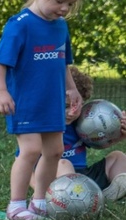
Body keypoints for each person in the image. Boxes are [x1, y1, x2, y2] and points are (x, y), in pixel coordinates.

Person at [0, 0, 86, 220]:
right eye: (59, 1)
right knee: (30, 150)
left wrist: (72, 90)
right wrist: (1, 91)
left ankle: (39, 201)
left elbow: (63, 62)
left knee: (55, 151)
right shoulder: (19, 24)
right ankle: (15, 205)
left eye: (70, 3)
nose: (65, 8)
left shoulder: (60, 27)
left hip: (51, 102)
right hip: (25, 102)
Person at [38, 66, 126, 203]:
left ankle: (111, 192)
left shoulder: (83, 123)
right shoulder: (42, 126)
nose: (70, 112)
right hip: (56, 181)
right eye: (65, 105)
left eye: (76, 105)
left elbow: (98, 141)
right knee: (63, 163)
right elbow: (29, 165)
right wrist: (40, 192)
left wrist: (117, 135)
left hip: (85, 177)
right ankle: (71, 200)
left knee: (118, 157)